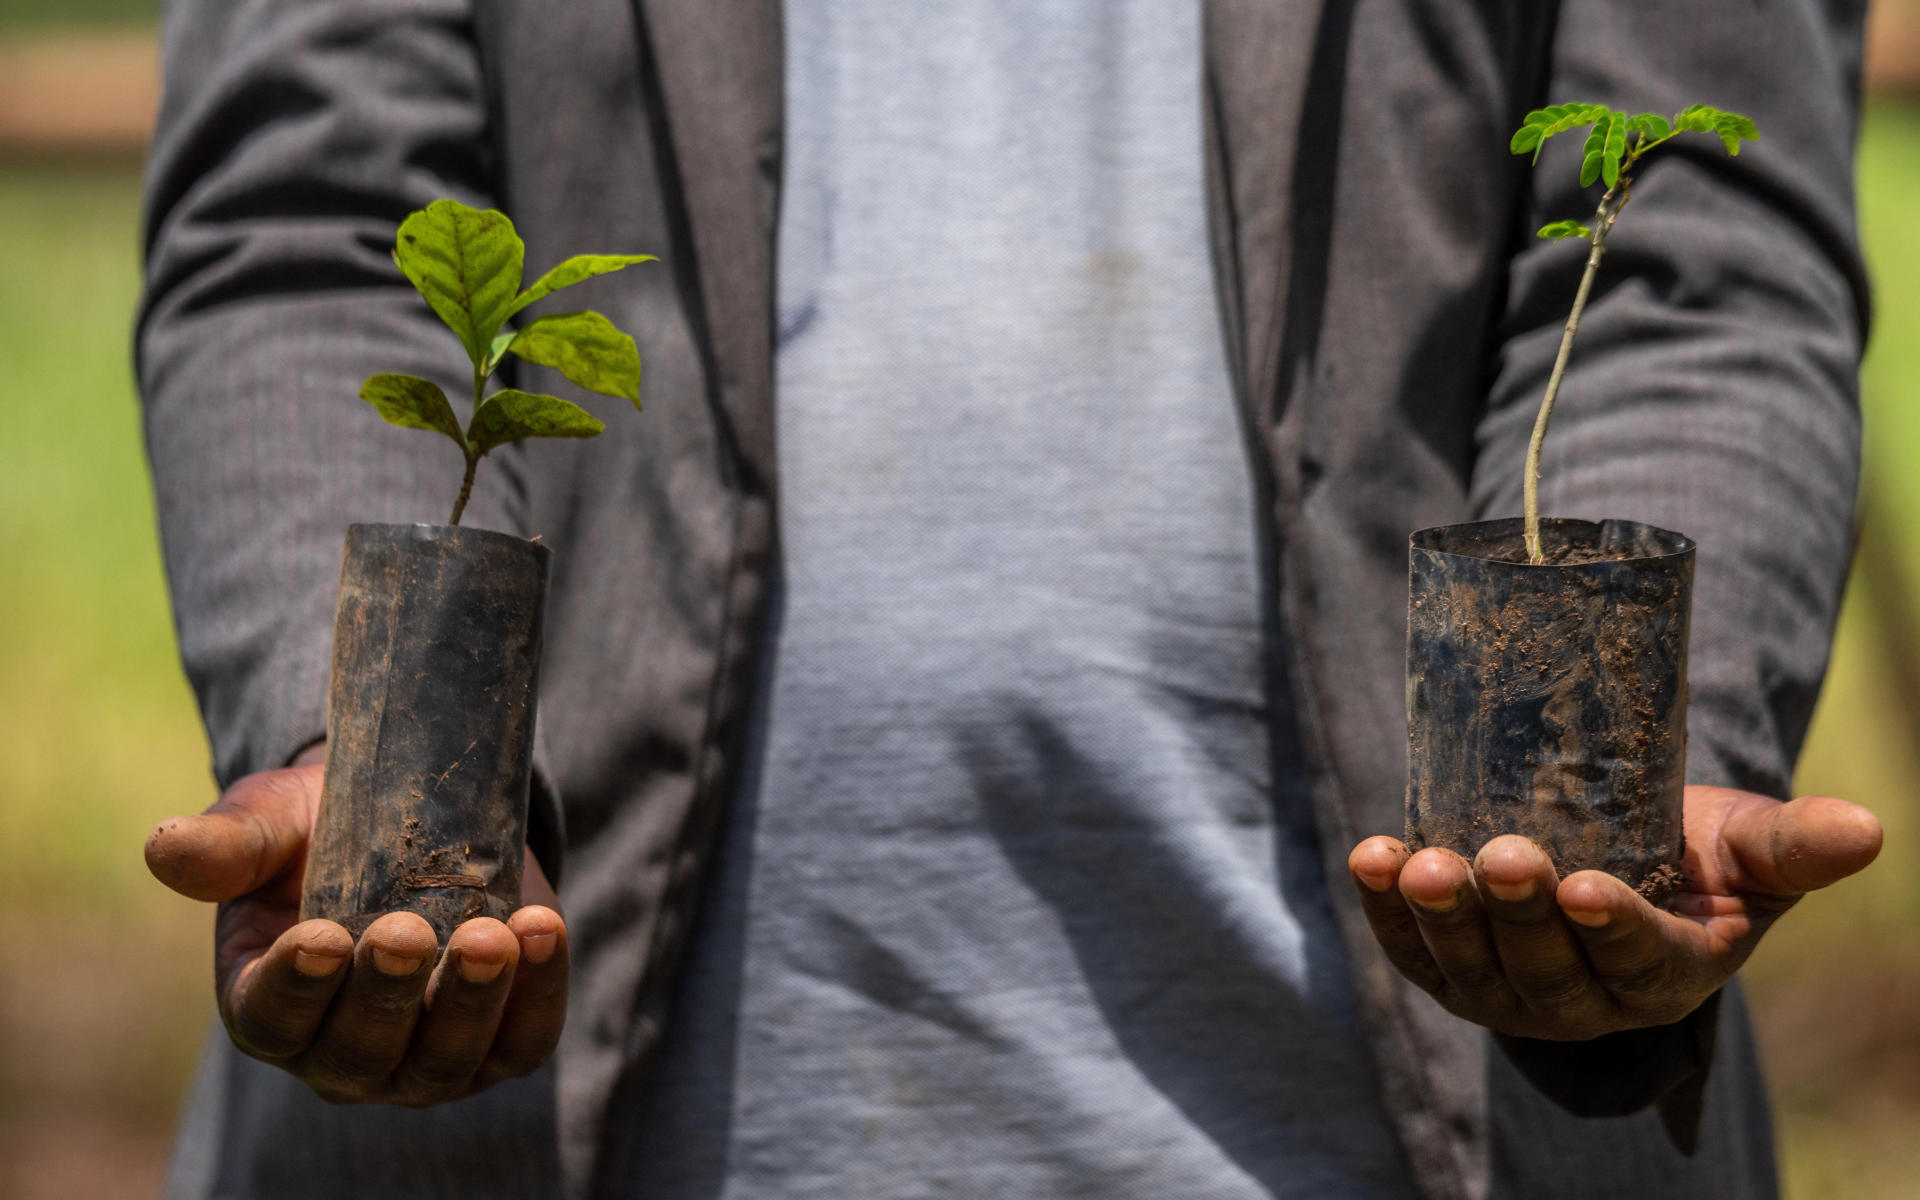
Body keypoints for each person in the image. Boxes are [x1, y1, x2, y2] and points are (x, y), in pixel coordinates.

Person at [137, 1, 1882, 1197]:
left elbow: (1698, 264)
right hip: (553, 1121)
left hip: (1414, 1132)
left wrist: (1646, 763)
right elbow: (313, 219)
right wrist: (340, 732)